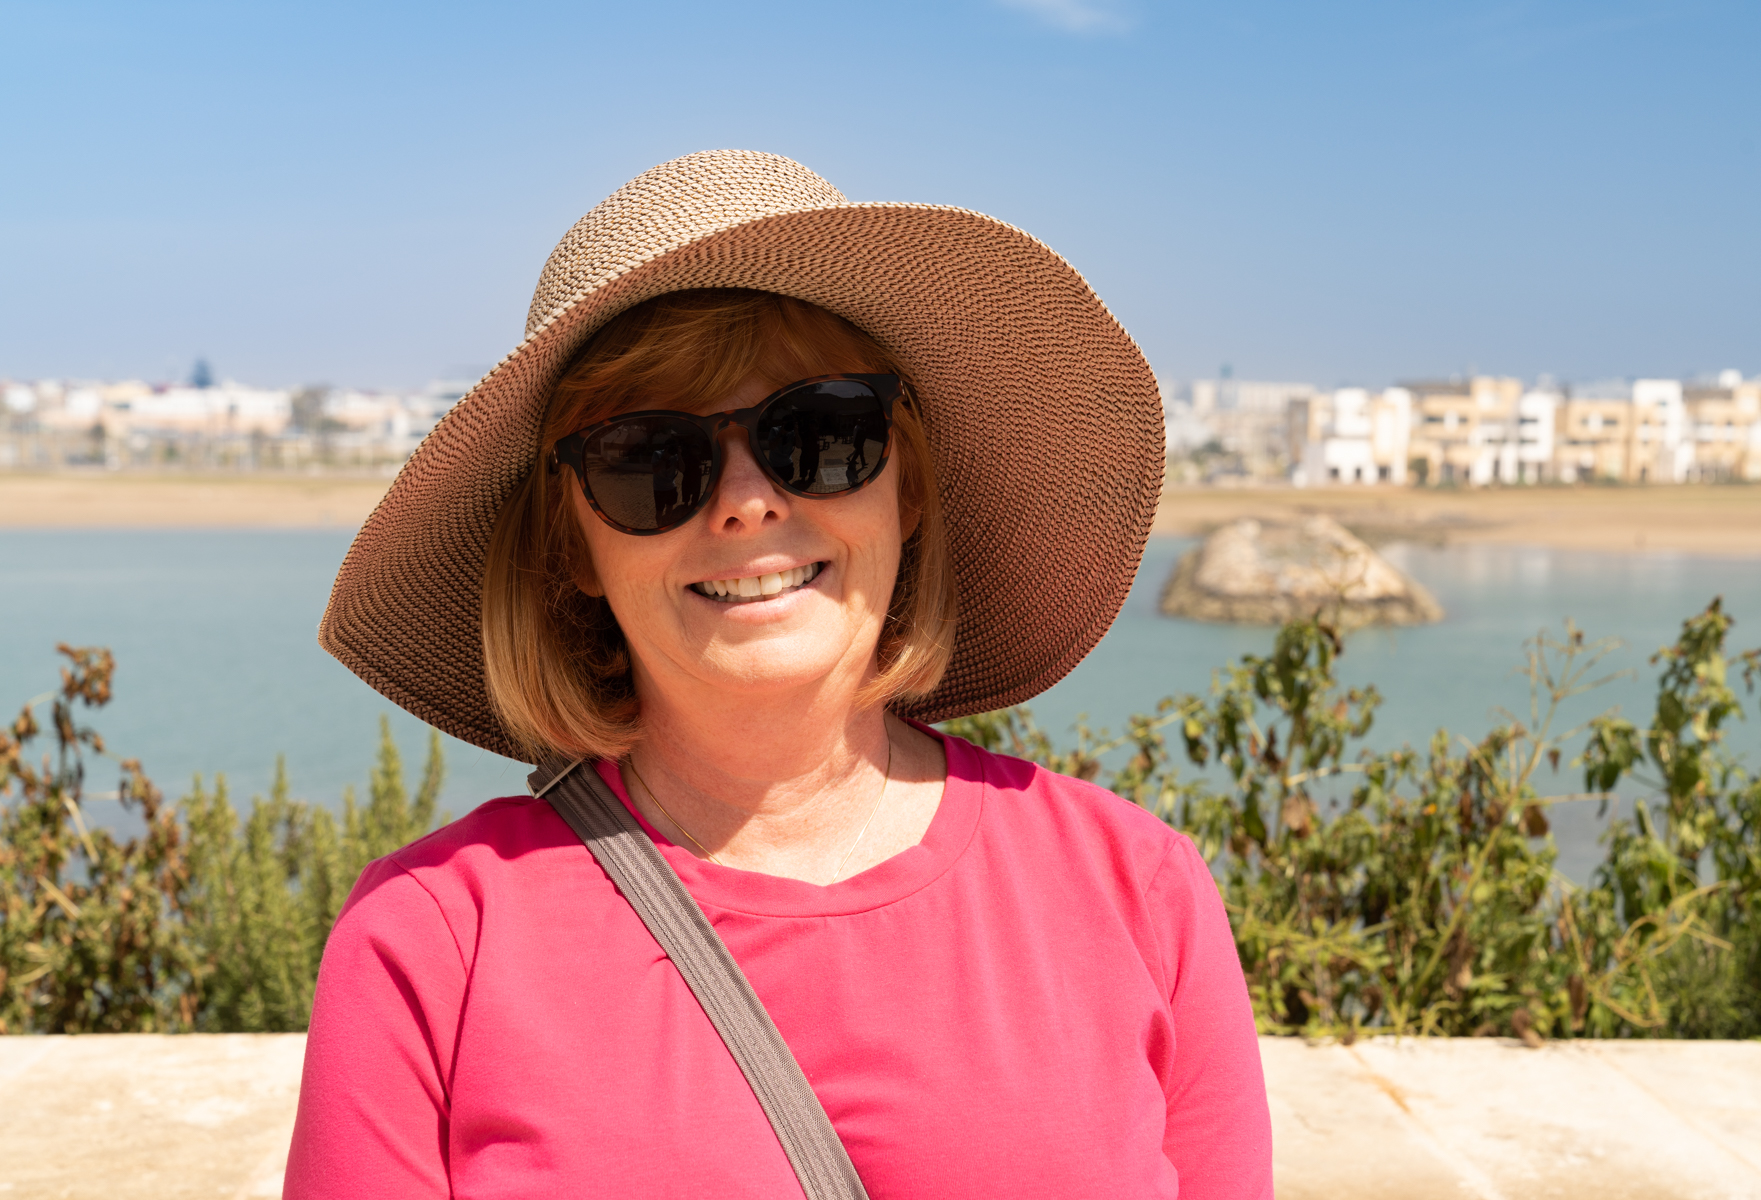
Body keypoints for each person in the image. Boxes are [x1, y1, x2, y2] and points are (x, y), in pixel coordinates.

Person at [290, 150, 1271, 1198]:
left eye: (822, 434)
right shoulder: (430, 943)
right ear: (572, 543)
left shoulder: (1137, 892)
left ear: (910, 485)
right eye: (648, 458)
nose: (748, 503)